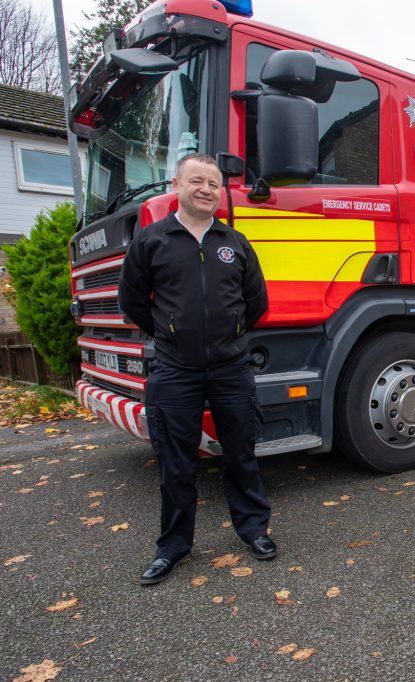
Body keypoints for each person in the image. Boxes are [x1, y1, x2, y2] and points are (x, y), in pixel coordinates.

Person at [119, 153, 276, 585]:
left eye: (213, 182)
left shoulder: (235, 242)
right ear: (177, 185)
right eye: (197, 181)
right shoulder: (152, 240)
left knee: (241, 454)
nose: (206, 189)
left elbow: (256, 301)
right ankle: (172, 547)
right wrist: (169, 334)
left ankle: (254, 531)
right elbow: (132, 301)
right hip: (175, 370)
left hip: (231, 368)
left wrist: (233, 334)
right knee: (176, 462)